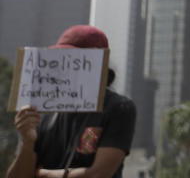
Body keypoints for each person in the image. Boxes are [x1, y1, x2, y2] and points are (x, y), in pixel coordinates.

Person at [6, 25, 137, 178]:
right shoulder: (45, 112)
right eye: (60, 58)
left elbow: (99, 174)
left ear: (97, 62)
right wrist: (27, 143)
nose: (64, 66)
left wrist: (44, 175)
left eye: (73, 60)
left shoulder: (118, 108)